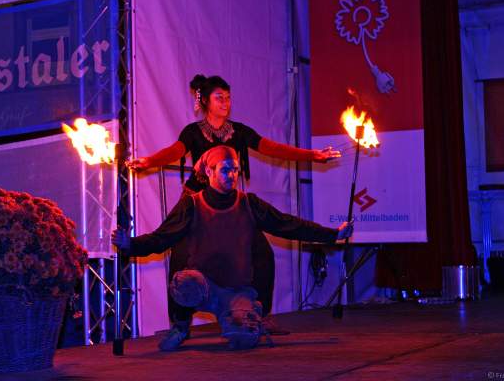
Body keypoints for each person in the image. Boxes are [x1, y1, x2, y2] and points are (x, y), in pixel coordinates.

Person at [125, 74, 340, 345]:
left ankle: (260, 313)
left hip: (232, 205)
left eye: (228, 98)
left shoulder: (239, 132)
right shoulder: (193, 132)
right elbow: (173, 151)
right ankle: (180, 325)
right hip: (198, 205)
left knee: (262, 253)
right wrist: (148, 161)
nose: (226, 103)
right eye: (219, 98)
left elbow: (272, 148)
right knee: (180, 255)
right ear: (205, 101)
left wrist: (313, 155)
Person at [113, 146, 353, 351]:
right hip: (202, 287)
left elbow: (287, 224)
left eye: (235, 169)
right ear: (209, 172)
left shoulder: (249, 203)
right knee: (184, 282)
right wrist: (130, 244)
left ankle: (247, 315)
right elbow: (162, 237)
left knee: (244, 339)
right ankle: (181, 326)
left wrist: (332, 234)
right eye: (226, 170)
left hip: (237, 292)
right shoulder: (192, 204)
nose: (232, 175)